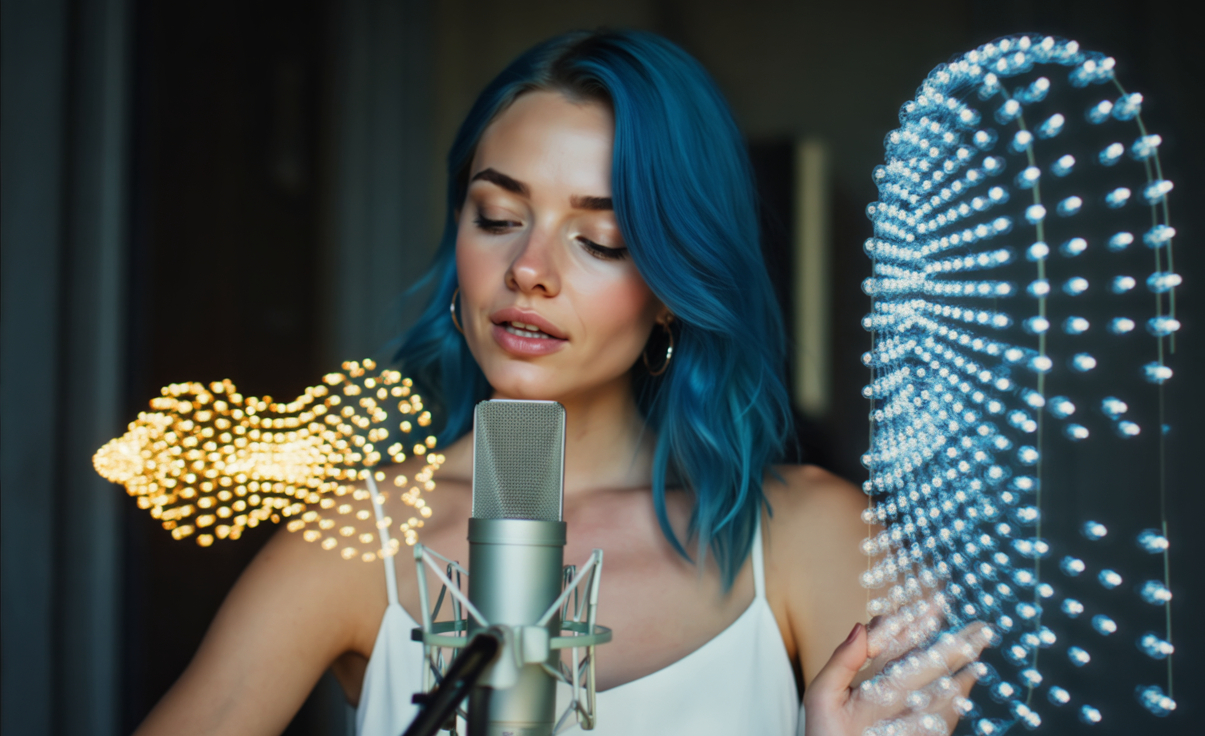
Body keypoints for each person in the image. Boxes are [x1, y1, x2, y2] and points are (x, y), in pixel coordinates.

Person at [132, 29, 986, 736]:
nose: (528, 269)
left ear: (671, 287)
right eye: (497, 218)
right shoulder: (362, 540)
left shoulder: (813, 538)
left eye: (601, 239)